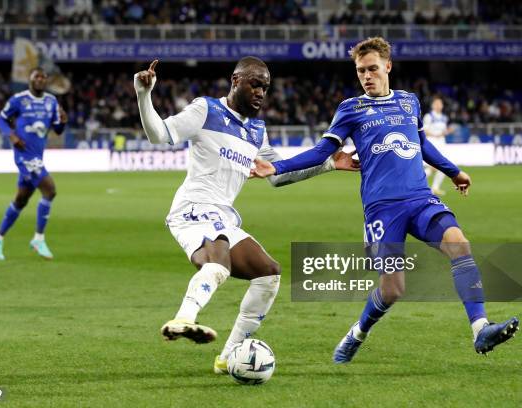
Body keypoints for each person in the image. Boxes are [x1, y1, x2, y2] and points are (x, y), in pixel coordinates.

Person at [251, 37, 518, 362]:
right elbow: (323, 152)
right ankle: (356, 334)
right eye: (361, 70)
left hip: (420, 199)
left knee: (459, 243)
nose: (366, 76)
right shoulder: (351, 109)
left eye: (373, 69)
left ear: (387, 67)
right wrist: (276, 166)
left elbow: (421, 144)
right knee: (392, 290)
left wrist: (453, 172)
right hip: (382, 210)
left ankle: (480, 329)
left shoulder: (409, 102)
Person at [133, 57, 359, 374]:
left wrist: (330, 164)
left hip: (224, 216)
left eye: (265, 87)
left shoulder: (256, 131)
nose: (260, 93)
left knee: (268, 274)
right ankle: (183, 319)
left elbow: (277, 175)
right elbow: (160, 134)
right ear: (236, 80)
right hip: (194, 207)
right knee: (218, 263)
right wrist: (144, 95)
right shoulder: (205, 109)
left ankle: (226, 358)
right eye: (255, 84)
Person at [0, 67, 67, 261]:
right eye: (36, 76)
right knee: (50, 190)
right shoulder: (18, 99)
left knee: (21, 200)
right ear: (30, 80)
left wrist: (63, 121)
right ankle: (38, 239)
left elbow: (57, 130)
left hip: (38, 156)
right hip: (24, 156)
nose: (40, 79)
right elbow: (1, 119)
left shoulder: (51, 101)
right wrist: (12, 135)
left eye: (43, 77)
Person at [423, 96, 452, 195]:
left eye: (440, 104)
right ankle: (416, 182)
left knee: (443, 166)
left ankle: (435, 188)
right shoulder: (429, 116)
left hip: (441, 143)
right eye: (437, 103)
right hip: (432, 142)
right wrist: (436, 135)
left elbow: (443, 131)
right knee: (434, 166)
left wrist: (447, 132)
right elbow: (425, 131)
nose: (439, 105)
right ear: (433, 105)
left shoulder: (444, 117)